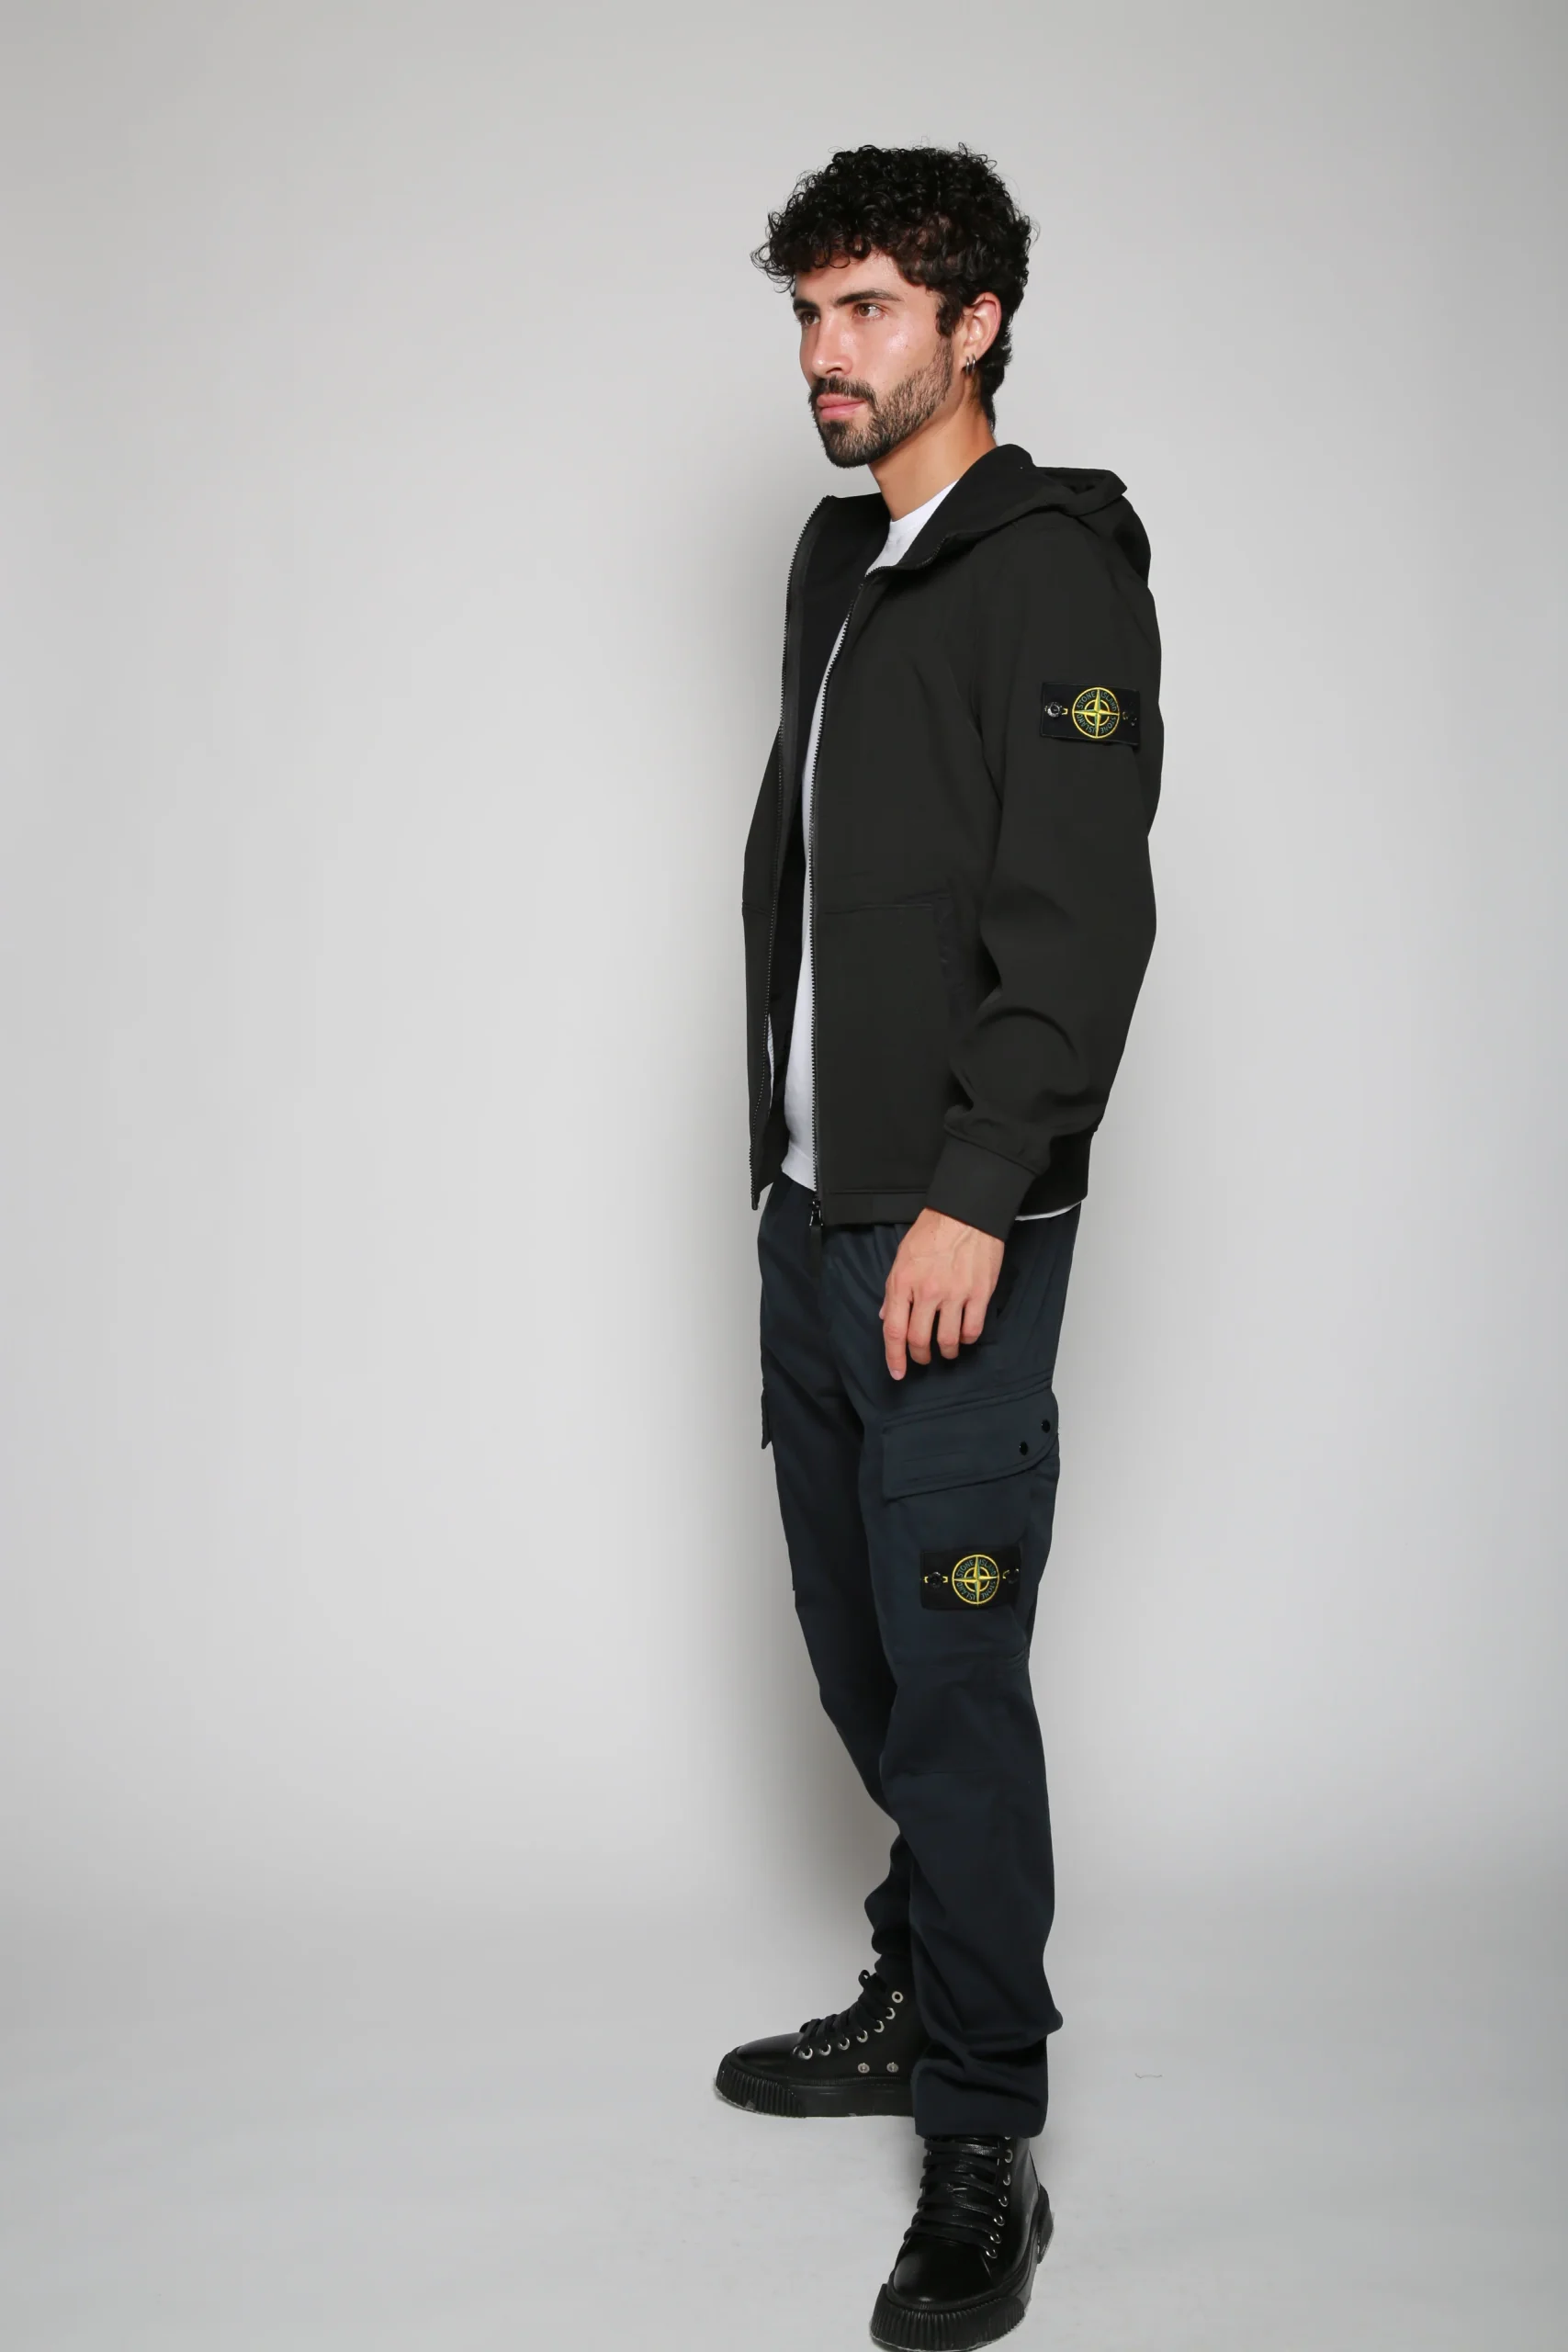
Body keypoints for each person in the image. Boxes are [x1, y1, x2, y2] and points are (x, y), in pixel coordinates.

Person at [717, 145, 1162, 2348]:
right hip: (813, 1213)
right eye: (811, 311)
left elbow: (1076, 920)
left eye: (870, 308)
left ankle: (984, 2125)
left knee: (956, 1680)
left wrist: (976, 1189)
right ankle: (922, 1977)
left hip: (950, 1225)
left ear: (974, 323)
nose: (828, 352)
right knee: (858, 1647)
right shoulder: (839, 556)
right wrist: (787, 1175)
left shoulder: (1050, 572)